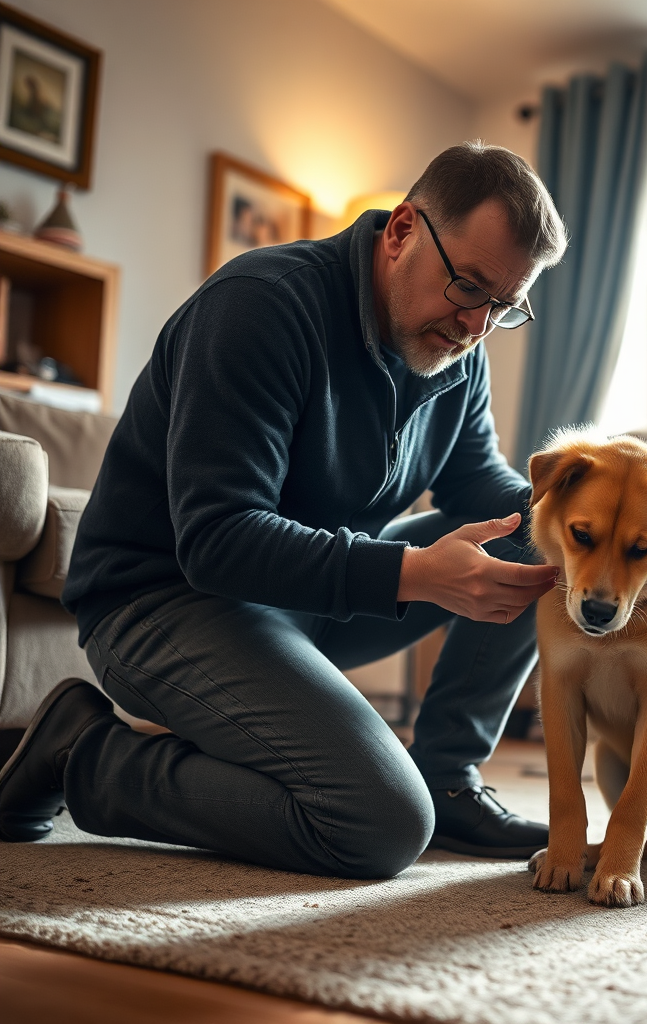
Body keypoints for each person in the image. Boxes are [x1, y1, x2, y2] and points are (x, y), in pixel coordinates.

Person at [0, 142, 569, 879]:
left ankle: (449, 779)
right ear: (402, 231)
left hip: (299, 604)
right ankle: (83, 752)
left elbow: (477, 482)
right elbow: (219, 538)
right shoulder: (262, 304)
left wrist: (585, 507)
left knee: (543, 538)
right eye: (467, 286)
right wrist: (411, 572)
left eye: (504, 307)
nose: (476, 326)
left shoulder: (458, 349)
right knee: (382, 823)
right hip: (162, 601)